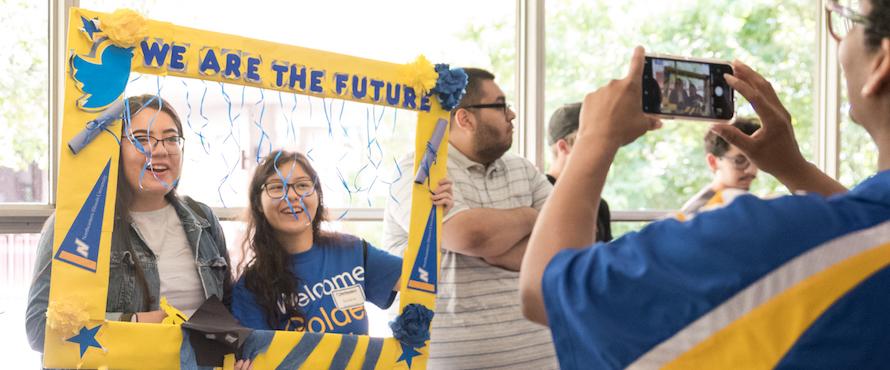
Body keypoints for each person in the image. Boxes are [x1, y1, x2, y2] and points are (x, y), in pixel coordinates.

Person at [519, 0, 890, 366]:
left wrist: (595, 138)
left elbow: (544, 288)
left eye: (849, 20)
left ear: (881, 62)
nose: (839, 40)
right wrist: (795, 168)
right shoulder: (863, 231)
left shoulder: (763, 238)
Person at [26, 94, 232, 352]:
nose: (160, 150)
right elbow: (39, 329)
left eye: (171, 138)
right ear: (114, 148)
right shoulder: (79, 222)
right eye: (142, 139)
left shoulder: (203, 219)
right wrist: (133, 323)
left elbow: (228, 311)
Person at [383, 68, 558, 369]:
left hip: (541, 355)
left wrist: (494, 246)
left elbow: (565, 243)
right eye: (500, 105)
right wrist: (532, 217)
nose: (512, 114)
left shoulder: (523, 169)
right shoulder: (420, 168)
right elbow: (470, 236)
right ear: (465, 118)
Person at [231, 150, 452, 334]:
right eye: (277, 187)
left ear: (318, 196)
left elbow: (424, 278)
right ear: (258, 203)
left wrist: (433, 218)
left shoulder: (351, 251)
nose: (291, 196)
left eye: (302, 185)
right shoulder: (250, 288)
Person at [547, 102, 612, 241]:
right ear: (563, 147)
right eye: (591, 143)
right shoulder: (538, 195)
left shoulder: (600, 206)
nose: (602, 151)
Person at [679, 117, 761, 219]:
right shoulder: (696, 215)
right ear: (713, 162)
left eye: (757, 161)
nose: (752, 171)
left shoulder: (747, 206)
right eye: (739, 160)